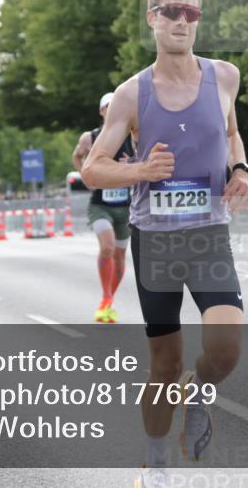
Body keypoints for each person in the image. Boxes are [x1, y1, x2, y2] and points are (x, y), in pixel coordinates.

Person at [81, 0, 248, 484]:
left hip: (209, 234)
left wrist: (241, 171)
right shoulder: (132, 93)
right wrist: (140, 171)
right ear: (153, 18)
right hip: (155, 240)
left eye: (192, 13)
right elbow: (93, 167)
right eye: (171, 12)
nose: (182, 21)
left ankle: (199, 393)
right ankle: (155, 464)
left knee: (225, 349)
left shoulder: (225, 76)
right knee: (163, 365)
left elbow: (231, 133)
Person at [72, 91, 135, 323]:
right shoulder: (90, 137)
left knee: (120, 255)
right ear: (101, 111)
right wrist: (85, 175)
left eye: (117, 105)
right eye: (109, 106)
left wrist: (134, 165)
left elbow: (145, 160)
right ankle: (106, 298)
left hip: (126, 206)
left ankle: (108, 302)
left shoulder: (133, 135)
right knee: (107, 248)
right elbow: (77, 156)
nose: (113, 109)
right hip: (100, 205)